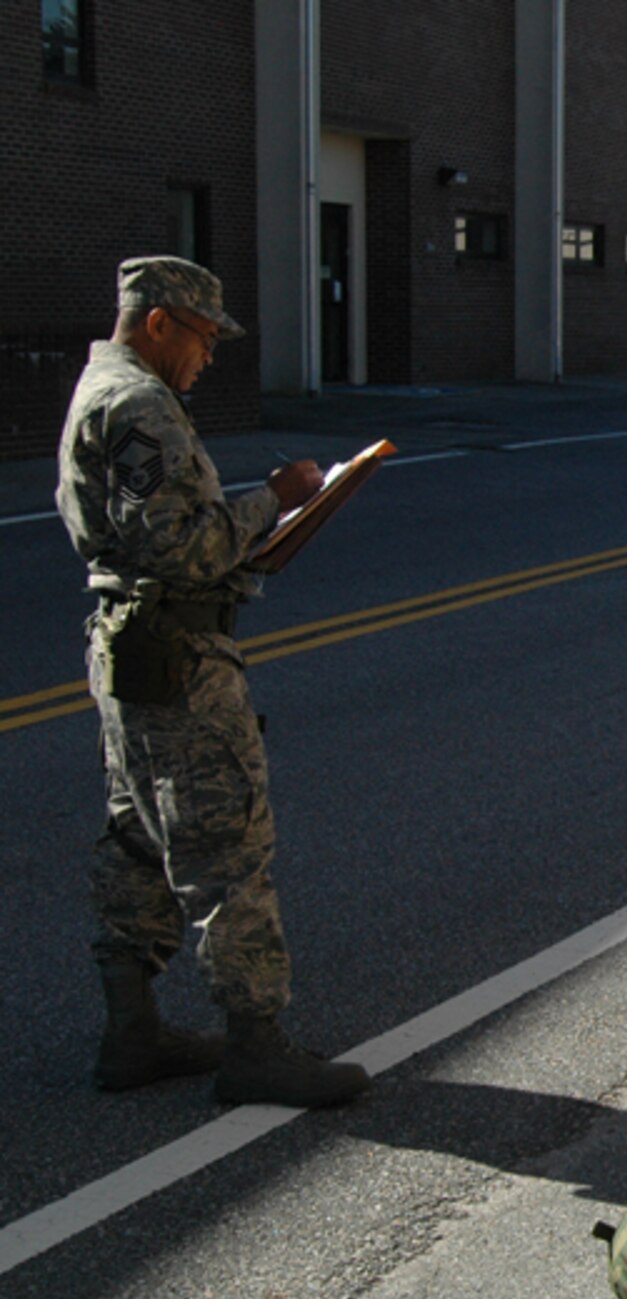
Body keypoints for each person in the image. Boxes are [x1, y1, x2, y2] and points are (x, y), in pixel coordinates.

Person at [55, 256, 371, 1109]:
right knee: (228, 849)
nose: (208, 356)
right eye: (201, 337)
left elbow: (160, 531)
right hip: (178, 659)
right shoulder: (138, 404)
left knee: (139, 836)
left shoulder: (108, 391)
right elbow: (182, 548)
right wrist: (276, 500)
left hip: (134, 650)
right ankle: (257, 1047)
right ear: (158, 323)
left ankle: (133, 1030)